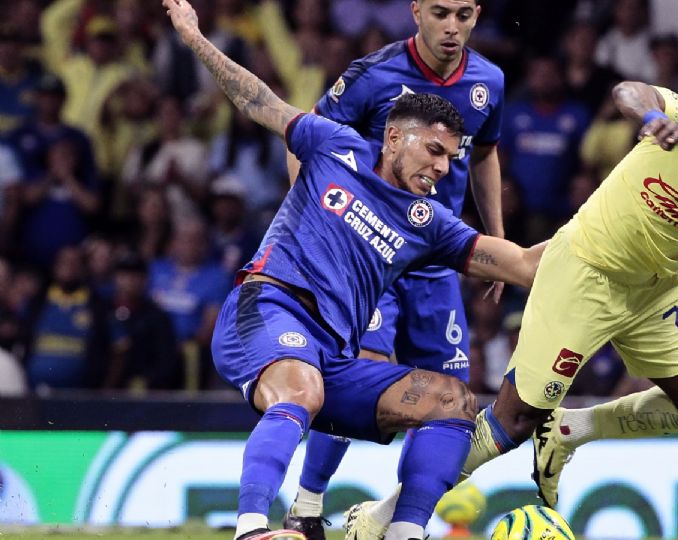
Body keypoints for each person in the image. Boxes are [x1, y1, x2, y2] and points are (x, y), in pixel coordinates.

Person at [344, 75, 678, 530]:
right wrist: (650, 118)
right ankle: (379, 516)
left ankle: (572, 429)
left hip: (653, 285)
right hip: (585, 270)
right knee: (513, 421)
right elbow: (630, 91)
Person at [162, 2, 542, 540]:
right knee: (302, 388)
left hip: (334, 352)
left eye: (448, 158)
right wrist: (195, 37)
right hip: (271, 307)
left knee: (453, 401)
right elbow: (258, 99)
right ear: (392, 137)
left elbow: (524, 262)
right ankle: (255, 528)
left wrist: (617, 228)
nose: (441, 167)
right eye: (433, 151)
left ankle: (404, 533)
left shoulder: (431, 223)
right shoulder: (335, 144)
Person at [283, 1, 506, 537]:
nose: (452, 27)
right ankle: (308, 508)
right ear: (416, 12)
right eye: (440, 12)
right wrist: (315, 221)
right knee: (363, 360)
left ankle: (405, 526)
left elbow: (484, 154)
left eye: (464, 14)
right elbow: (304, 140)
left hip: (436, 259)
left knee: (451, 398)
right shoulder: (372, 74)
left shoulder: (489, 81)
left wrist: (495, 236)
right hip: (371, 248)